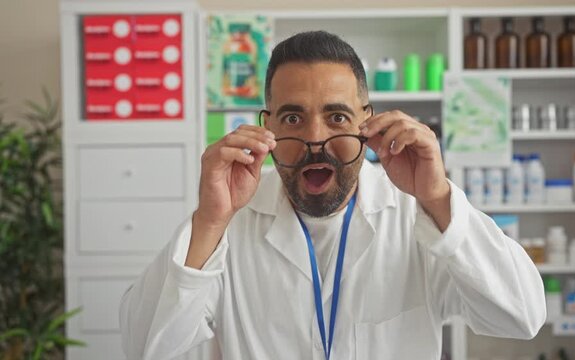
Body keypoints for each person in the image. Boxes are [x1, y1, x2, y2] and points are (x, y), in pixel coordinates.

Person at [120, 31, 545, 360]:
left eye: (337, 116)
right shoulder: (231, 221)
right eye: (293, 117)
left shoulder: (415, 215)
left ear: (368, 121)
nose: (315, 139)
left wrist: (436, 196)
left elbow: (522, 315)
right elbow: (146, 346)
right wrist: (210, 221)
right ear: (267, 127)